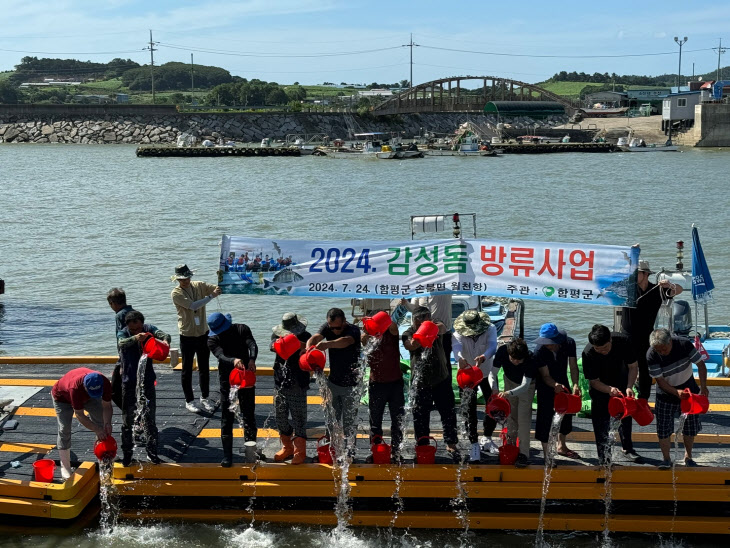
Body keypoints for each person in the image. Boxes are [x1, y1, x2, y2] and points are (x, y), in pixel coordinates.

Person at [402, 306, 460, 462]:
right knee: (420, 415)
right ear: (414, 320)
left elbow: (443, 327)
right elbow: (410, 345)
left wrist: (429, 328)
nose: (423, 321)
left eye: (427, 318)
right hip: (421, 381)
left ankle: (451, 442)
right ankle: (422, 443)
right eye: (420, 319)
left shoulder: (435, 325)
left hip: (441, 377)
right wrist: (421, 334)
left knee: (448, 412)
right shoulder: (407, 333)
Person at [647, 328, 709, 469]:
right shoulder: (651, 355)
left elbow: (700, 365)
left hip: (690, 392)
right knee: (663, 429)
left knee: (690, 428)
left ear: (670, 342)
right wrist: (676, 392)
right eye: (658, 350)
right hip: (665, 395)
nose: (662, 352)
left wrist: (703, 386)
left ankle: (688, 456)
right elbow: (660, 382)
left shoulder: (684, 344)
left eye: (664, 348)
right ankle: (666, 459)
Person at [621, 259, 683, 400]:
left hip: (646, 335)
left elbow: (678, 290)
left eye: (635, 273)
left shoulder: (657, 290)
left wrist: (669, 284)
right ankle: (625, 397)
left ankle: (643, 399)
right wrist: (632, 255)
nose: (632, 276)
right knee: (626, 367)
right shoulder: (627, 289)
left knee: (645, 369)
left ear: (645, 274)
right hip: (627, 335)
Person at [117, 310, 170, 466]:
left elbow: (164, 335)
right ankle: (127, 454)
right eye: (132, 329)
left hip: (147, 382)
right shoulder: (123, 334)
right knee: (127, 420)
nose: (137, 331)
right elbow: (121, 343)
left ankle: (152, 453)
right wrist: (134, 338)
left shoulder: (149, 328)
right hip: (129, 382)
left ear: (142, 323)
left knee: (150, 418)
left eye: (138, 329)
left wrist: (166, 341)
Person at [582, 325, 641, 465]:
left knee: (625, 417)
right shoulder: (588, 352)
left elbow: (633, 366)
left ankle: (628, 449)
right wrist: (609, 390)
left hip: (621, 381)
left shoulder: (623, 341)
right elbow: (594, 381)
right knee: (601, 422)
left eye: (605, 348)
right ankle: (604, 456)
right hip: (600, 388)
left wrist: (629, 386)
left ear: (610, 340)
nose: (602, 352)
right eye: (598, 349)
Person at [207, 312, 259, 467]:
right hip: (227, 380)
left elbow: (252, 344)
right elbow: (220, 355)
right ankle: (227, 455)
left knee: (249, 414)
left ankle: (251, 452)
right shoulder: (212, 339)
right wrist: (233, 360)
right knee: (226, 416)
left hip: (245, 376)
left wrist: (252, 359)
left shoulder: (242, 329)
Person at [307, 308, 362, 454]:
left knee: (349, 423)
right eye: (331, 328)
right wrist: (308, 349)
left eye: (337, 328)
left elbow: (345, 341)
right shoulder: (328, 327)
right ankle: (332, 449)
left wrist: (327, 344)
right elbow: (315, 337)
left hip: (352, 385)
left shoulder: (353, 330)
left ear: (344, 322)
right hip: (333, 382)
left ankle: (350, 452)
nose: (334, 330)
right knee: (331, 420)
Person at [171, 264, 222, 413]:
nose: (184, 281)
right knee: (187, 369)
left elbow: (217, 289)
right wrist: (211, 297)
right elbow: (193, 306)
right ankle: (189, 400)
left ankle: (205, 398)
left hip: (203, 332)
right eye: (181, 279)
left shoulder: (199, 285)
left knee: (204, 367)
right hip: (187, 334)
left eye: (186, 278)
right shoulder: (176, 293)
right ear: (177, 279)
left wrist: (221, 278)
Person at [451, 309, 498, 463]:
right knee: (469, 410)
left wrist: (484, 356)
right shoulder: (458, 332)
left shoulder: (490, 328)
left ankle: (487, 436)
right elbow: (456, 348)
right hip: (467, 374)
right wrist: (460, 358)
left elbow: (492, 345)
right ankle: (474, 443)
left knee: (493, 405)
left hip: (485, 372)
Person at [51, 368, 113, 479]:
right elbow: (79, 415)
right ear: (85, 387)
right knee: (64, 428)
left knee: (101, 420)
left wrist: (107, 423)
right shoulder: (75, 388)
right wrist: (97, 429)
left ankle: (103, 454)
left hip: (88, 397)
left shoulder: (104, 382)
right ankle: (65, 465)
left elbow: (107, 406)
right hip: (62, 398)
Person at [533, 323, 581, 461]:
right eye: (546, 343)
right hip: (545, 384)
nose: (549, 346)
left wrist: (575, 384)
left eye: (551, 343)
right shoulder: (539, 351)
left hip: (563, 380)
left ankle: (562, 445)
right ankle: (547, 453)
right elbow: (545, 375)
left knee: (566, 413)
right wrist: (554, 385)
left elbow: (572, 366)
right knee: (544, 416)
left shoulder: (569, 342)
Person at [362, 313, 405, 464]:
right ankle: (376, 450)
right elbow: (363, 339)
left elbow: (393, 326)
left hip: (395, 384)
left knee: (397, 420)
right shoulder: (369, 337)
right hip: (376, 384)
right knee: (375, 421)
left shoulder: (392, 333)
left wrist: (382, 321)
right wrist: (369, 328)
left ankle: (396, 451)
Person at [270, 313, 311, 465]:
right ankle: (287, 447)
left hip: (298, 383)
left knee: (299, 418)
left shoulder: (306, 336)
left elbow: (312, 351)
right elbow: (271, 346)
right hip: (280, 382)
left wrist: (301, 345)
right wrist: (285, 342)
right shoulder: (277, 335)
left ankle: (300, 452)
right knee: (280, 417)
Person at [494, 338, 539, 468]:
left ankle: (524, 453)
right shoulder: (502, 351)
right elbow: (493, 372)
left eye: (519, 360)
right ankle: (510, 444)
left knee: (523, 418)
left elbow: (525, 385)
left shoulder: (530, 358)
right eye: (513, 359)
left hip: (527, 386)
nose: (516, 362)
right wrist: (494, 388)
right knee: (511, 415)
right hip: (509, 381)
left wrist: (509, 393)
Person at [402, 295, 454, 362]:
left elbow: (442, 328)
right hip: (417, 332)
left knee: (444, 362)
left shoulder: (444, 288)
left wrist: (428, 328)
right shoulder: (418, 288)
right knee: (419, 360)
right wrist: (406, 303)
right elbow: (414, 309)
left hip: (440, 333)